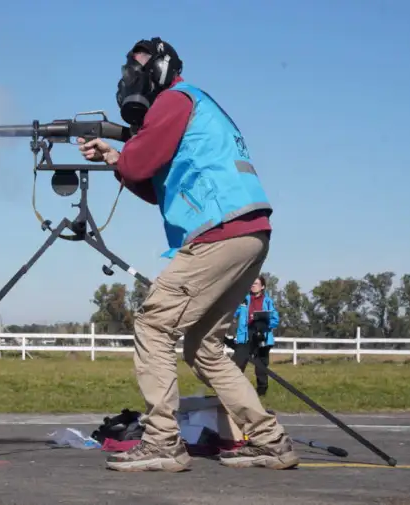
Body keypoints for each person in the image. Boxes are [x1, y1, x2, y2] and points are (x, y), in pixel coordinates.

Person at [76, 37, 299, 472]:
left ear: (160, 69)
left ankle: (162, 442)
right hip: (247, 231)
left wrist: (118, 155)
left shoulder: (173, 100)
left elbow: (138, 165)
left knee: (154, 323)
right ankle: (272, 442)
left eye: (138, 66)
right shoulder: (191, 104)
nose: (131, 76)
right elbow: (149, 182)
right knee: (203, 347)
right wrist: (115, 158)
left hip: (219, 232)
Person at [231, 275, 280, 397]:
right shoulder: (244, 300)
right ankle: (235, 391)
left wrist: (265, 321)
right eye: (252, 283)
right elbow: (233, 313)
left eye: (256, 283)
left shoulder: (268, 301)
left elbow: (275, 319)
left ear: (262, 286)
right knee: (238, 363)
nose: (253, 285)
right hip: (246, 335)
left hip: (261, 335)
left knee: (261, 366)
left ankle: (261, 391)